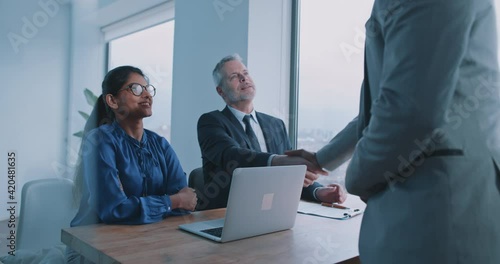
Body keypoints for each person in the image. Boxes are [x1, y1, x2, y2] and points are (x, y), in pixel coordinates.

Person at [287, 0, 500, 263]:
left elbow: (407, 111)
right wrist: (321, 160)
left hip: (435, 210)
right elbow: (385, 107)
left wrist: (357, 178)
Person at [67, 66, 197, 263]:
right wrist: (171, 201)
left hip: (143, 239)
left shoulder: (160, 144)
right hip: (92, 246)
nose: (146, 94)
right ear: (112, 100)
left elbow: (186, 201)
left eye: (148, 89)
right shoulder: (100, 141)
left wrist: (172, 202)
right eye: (136, 89)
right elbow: (114, 210)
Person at [196, 54, 346, 210]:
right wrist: (278, 161)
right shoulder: (211, 122)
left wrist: (319, 191)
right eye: (234, 76)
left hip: (273, 212)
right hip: (227, 215)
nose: (243, 78)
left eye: (245, 73)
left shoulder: (275, 124)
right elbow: (231, 157)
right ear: (221, 91)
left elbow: (291, 176)